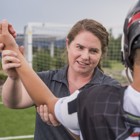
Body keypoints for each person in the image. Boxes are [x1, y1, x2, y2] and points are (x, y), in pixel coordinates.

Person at [0, 18, 120, 140]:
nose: (85, 56)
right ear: (68, 44)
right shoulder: (44, 80)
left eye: (93, 51)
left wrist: (62, 117)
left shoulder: (110, 89)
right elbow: (13, 102)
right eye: (79, 47)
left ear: (102, 54)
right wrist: (13, 78)